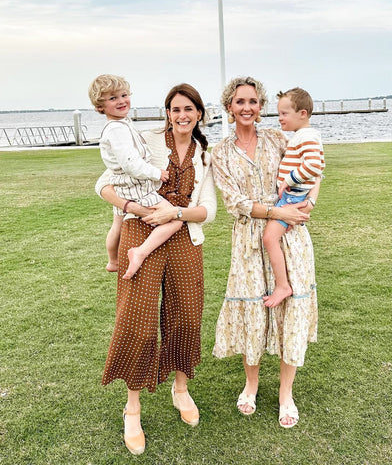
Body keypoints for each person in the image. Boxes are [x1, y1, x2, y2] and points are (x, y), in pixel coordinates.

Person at [95, 83, 216, 454]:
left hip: (182, 237)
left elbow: (207, 209)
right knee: (138, 318)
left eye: (189, 109)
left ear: (199, 114)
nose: (182, 115)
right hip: (139, 229)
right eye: (175, 109)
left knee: (185, 317)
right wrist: (135, 208)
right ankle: (132, 408)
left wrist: (176, 212)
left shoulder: (205, 155)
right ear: (167, 112)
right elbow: (104, 182)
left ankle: (181, 389)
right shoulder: (144, 138)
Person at [211, 76, 320, 429]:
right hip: (249, 239)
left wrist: (309, 202)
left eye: (253, 101)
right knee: (254, 313)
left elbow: (316, 165)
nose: (247, 108)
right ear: (229, 106)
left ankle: (286, 393)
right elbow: (235, 203)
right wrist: (279, 212)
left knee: (292, 310)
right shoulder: (221, 153)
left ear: (261, 107)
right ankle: (251, 385)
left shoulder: (279, 138)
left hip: (290, 234)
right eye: (240, 101)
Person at [88, 74, 183, 280]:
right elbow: (131, 164)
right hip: (137, 189)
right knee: (175, 219)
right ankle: (140, 251)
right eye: (113, 98)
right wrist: (156, 173)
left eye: (123, 95)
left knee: (117, 225)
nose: (121, 101)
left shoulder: (121, 125)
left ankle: (112, 260)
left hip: (121, 186)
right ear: (100, 106)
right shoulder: (116, 130)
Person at [263, 88, 325, 307]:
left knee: (269, 238)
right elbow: (321, 165)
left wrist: (288, 180)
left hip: (290, 198)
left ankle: (283, 285)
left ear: (303, 113)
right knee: (276, 235)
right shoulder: (305, 136)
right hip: (294, 196)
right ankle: (284, 283)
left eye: (284, 114)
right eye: (279, 114)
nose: (280, 118)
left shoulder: (306, 136)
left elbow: (314, 167)